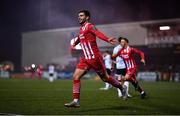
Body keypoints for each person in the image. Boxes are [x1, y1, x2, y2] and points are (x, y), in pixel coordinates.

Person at [64, 10, 127, 108]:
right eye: (78, 16)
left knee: (105, 78)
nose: (79, 17)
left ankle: (121, 87)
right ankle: (76, 101)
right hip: (86, 59)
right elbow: (79, 38)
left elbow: (98, 33)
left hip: (95, 58)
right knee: (76, 77)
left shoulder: (90, 26)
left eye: (81, 15)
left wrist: (107, 39)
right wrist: (73, 45)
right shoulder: (81, 29)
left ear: (87, 17)